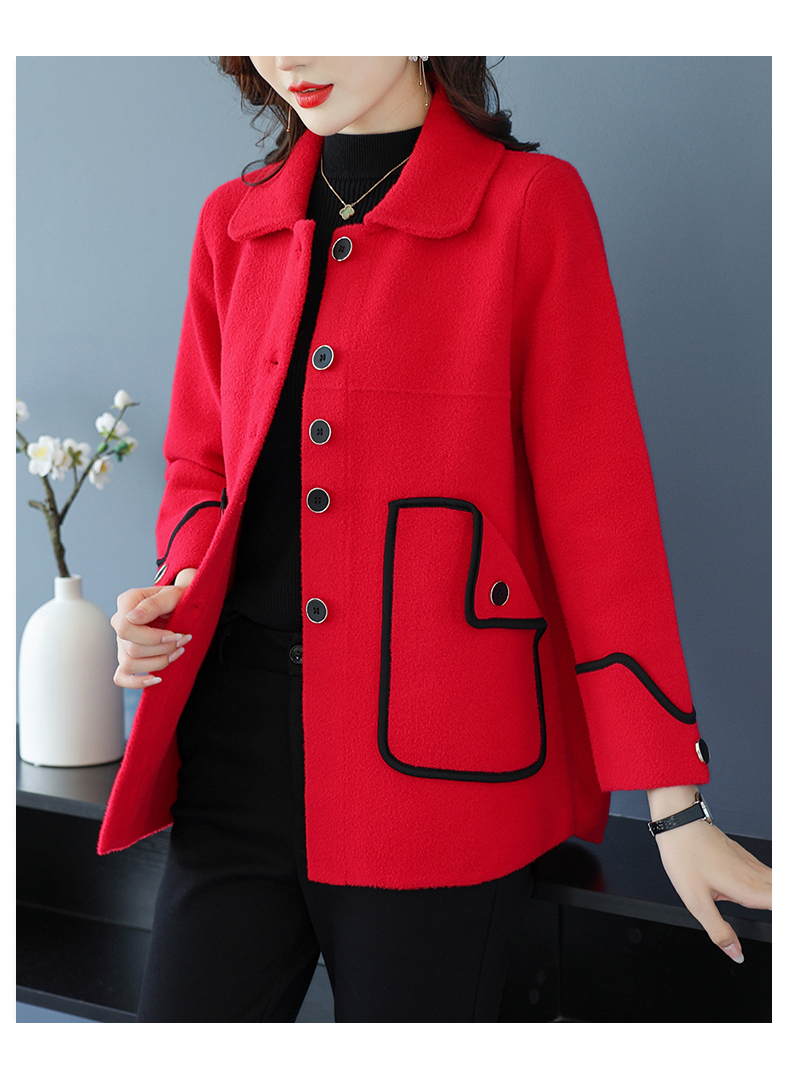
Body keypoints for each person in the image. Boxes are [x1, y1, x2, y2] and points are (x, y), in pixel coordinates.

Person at [104, 56, 771, 1023]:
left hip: (439, 782)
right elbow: (200, 465)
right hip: (231, 761)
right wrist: (178, 581)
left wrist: (676, 806)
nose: (291, 54)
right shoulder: (234, 222)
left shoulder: (530, 205)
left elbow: (601, 516)